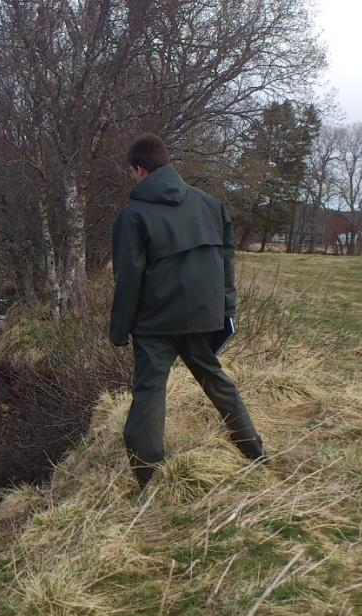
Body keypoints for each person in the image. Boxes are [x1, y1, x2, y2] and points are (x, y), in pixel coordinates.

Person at [109, 133, 267, 489]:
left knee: (149, 391)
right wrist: (226, 312)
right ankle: (254, 451)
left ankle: (147, 480)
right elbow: (227, 264)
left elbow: (128, 279)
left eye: (132, 172)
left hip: (155, 323)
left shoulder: (132, 215)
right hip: (203, 316)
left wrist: (119, 331)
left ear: (139, 169)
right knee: (217, 380)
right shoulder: (211, 205)